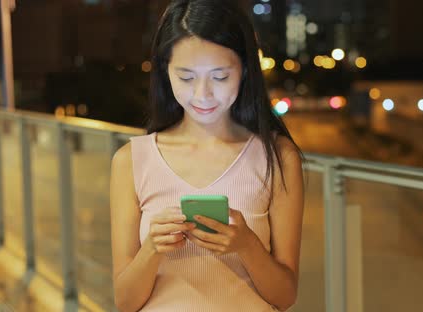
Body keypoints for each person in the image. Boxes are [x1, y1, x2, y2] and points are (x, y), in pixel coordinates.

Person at [109, 0, 304, 311]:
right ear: (165, 72)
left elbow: (284, 297)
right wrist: (152, 250)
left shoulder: (278, 157)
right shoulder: (131, 161)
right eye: (186, 78)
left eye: (220, 76)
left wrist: (247, 245)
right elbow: (124, 302)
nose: (202, 94)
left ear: (244, 70)